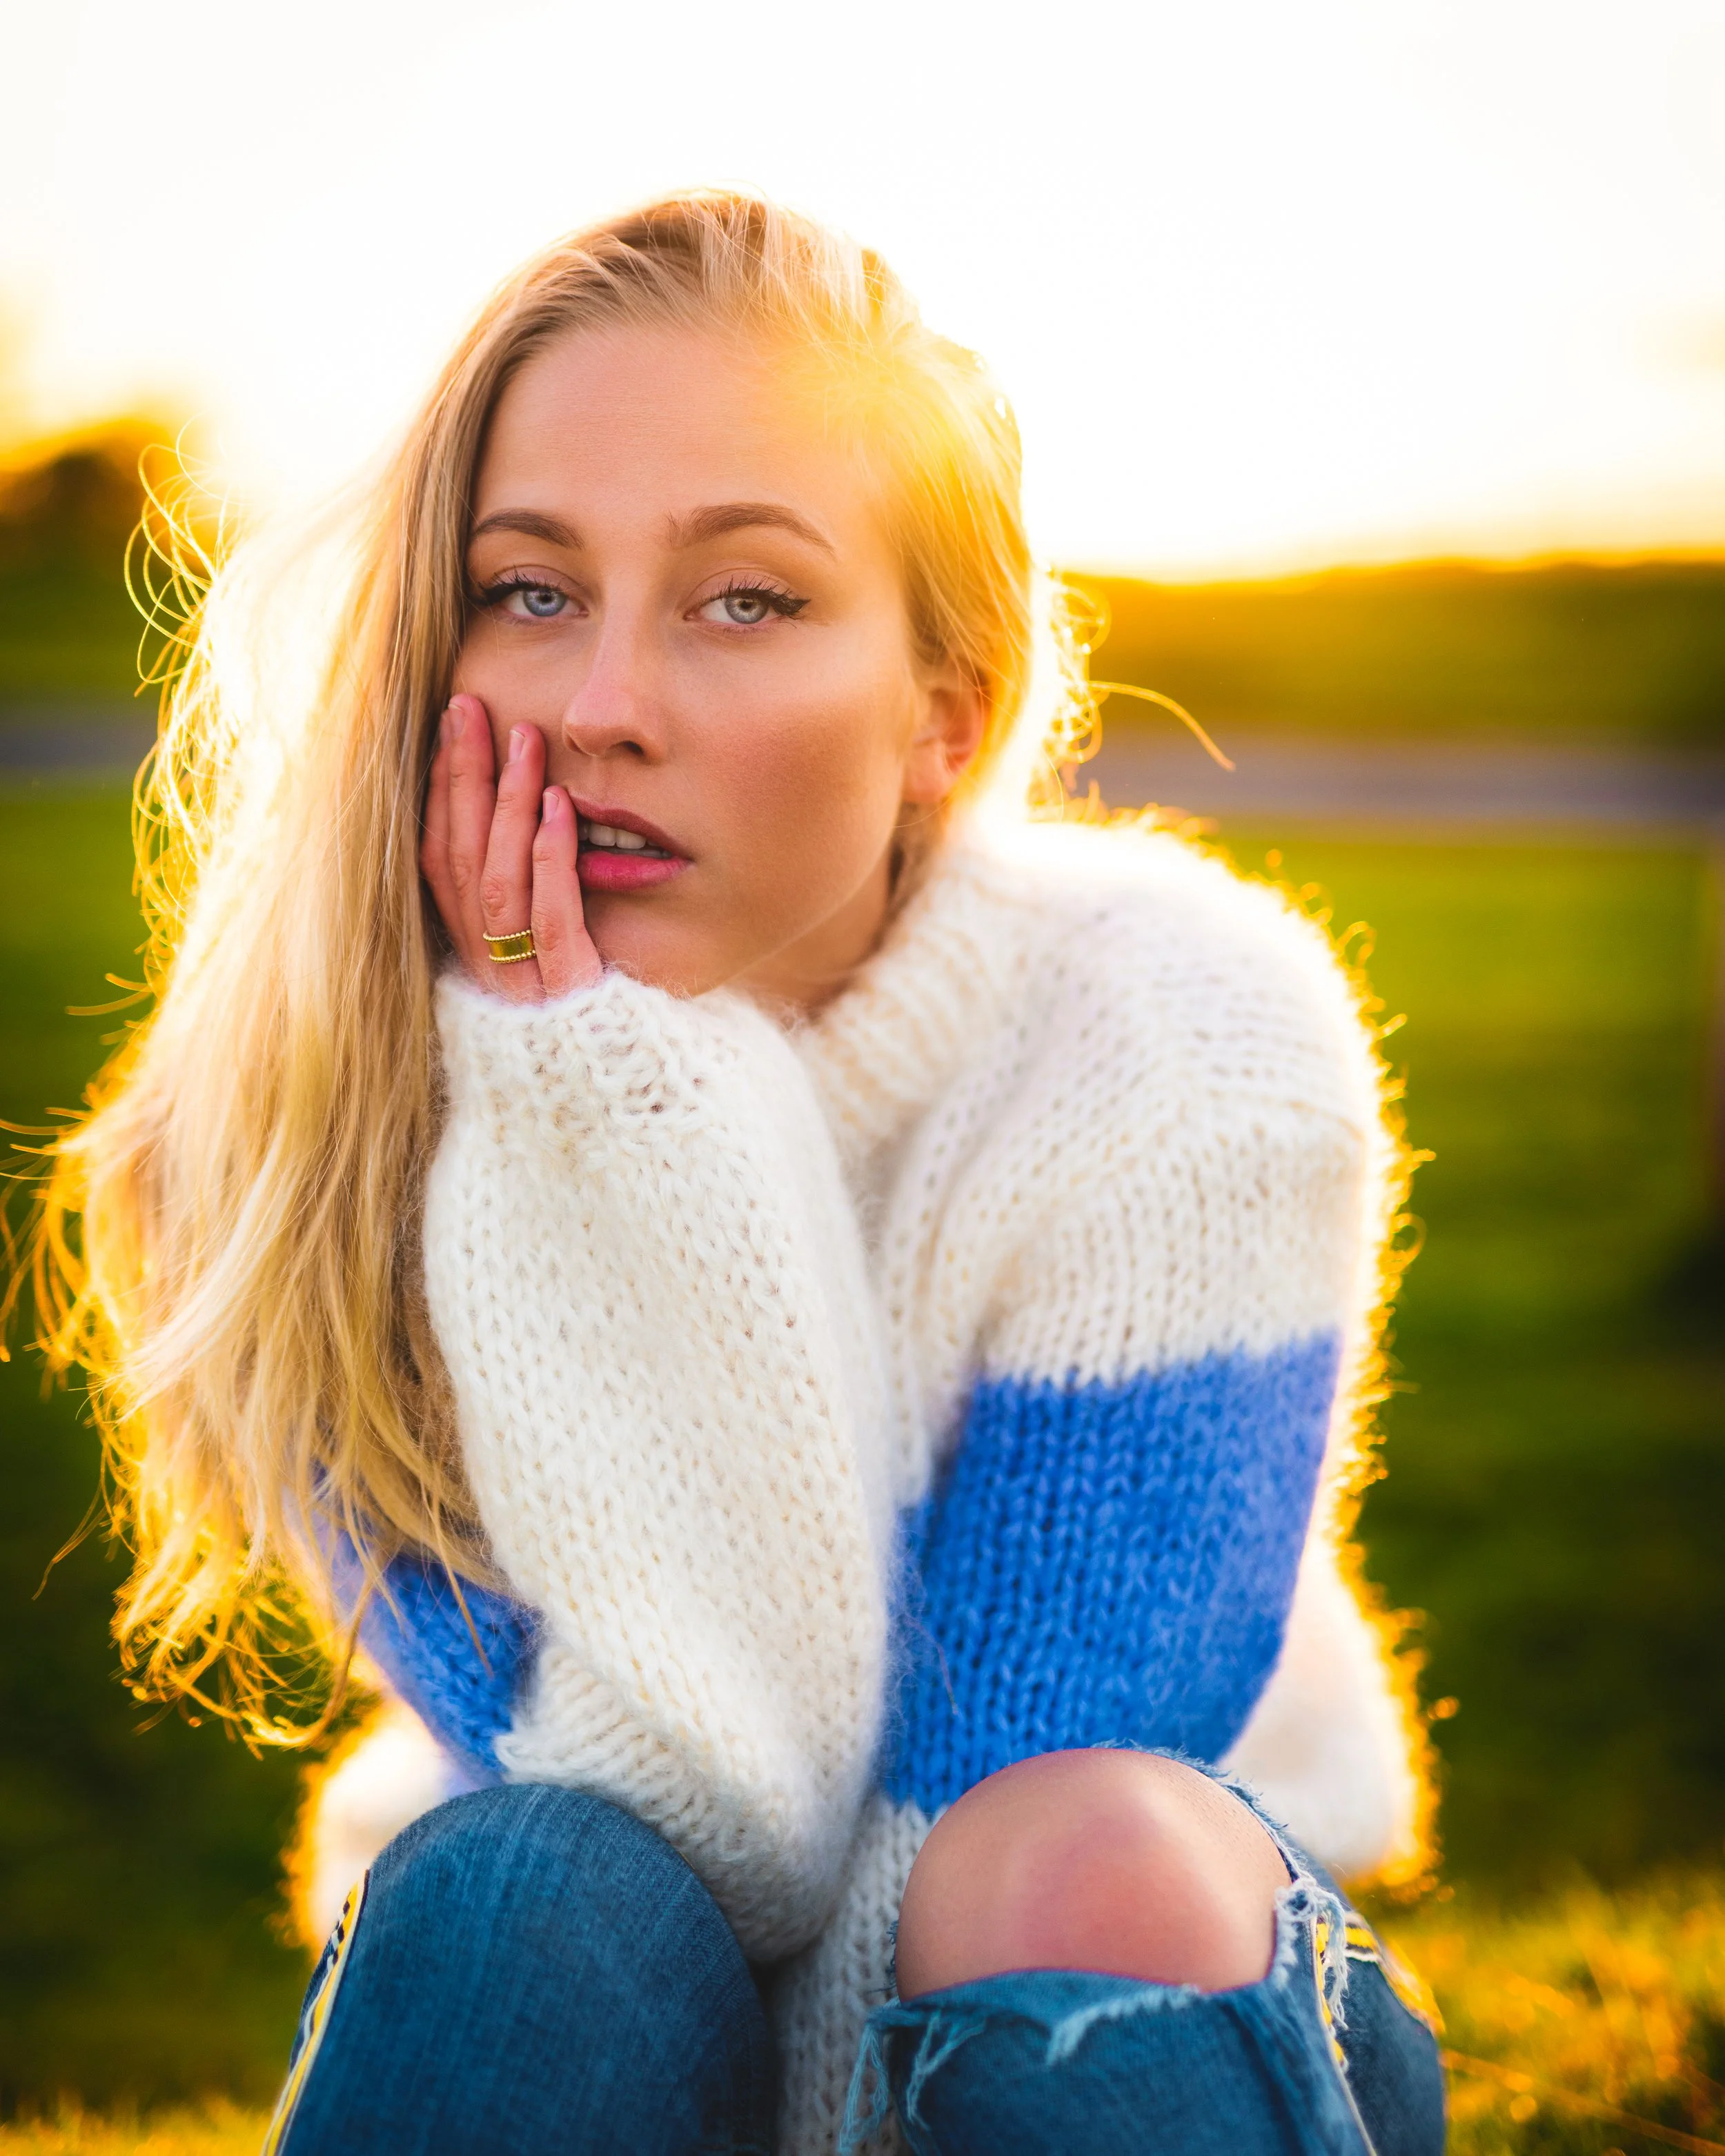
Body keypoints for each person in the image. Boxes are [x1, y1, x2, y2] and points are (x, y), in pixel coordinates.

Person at [39, 191, 1446, 2154]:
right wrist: (583, 1094)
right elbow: (703, 1807)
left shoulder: (1177, 1034)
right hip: (605, 1983)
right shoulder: (306, 1126)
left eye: (745, 598)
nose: (601, 702)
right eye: (528, 589)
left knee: (1063, 1847)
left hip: (1110, 2000)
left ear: (942, 715)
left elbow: (954, 1825)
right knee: (524, 1875)